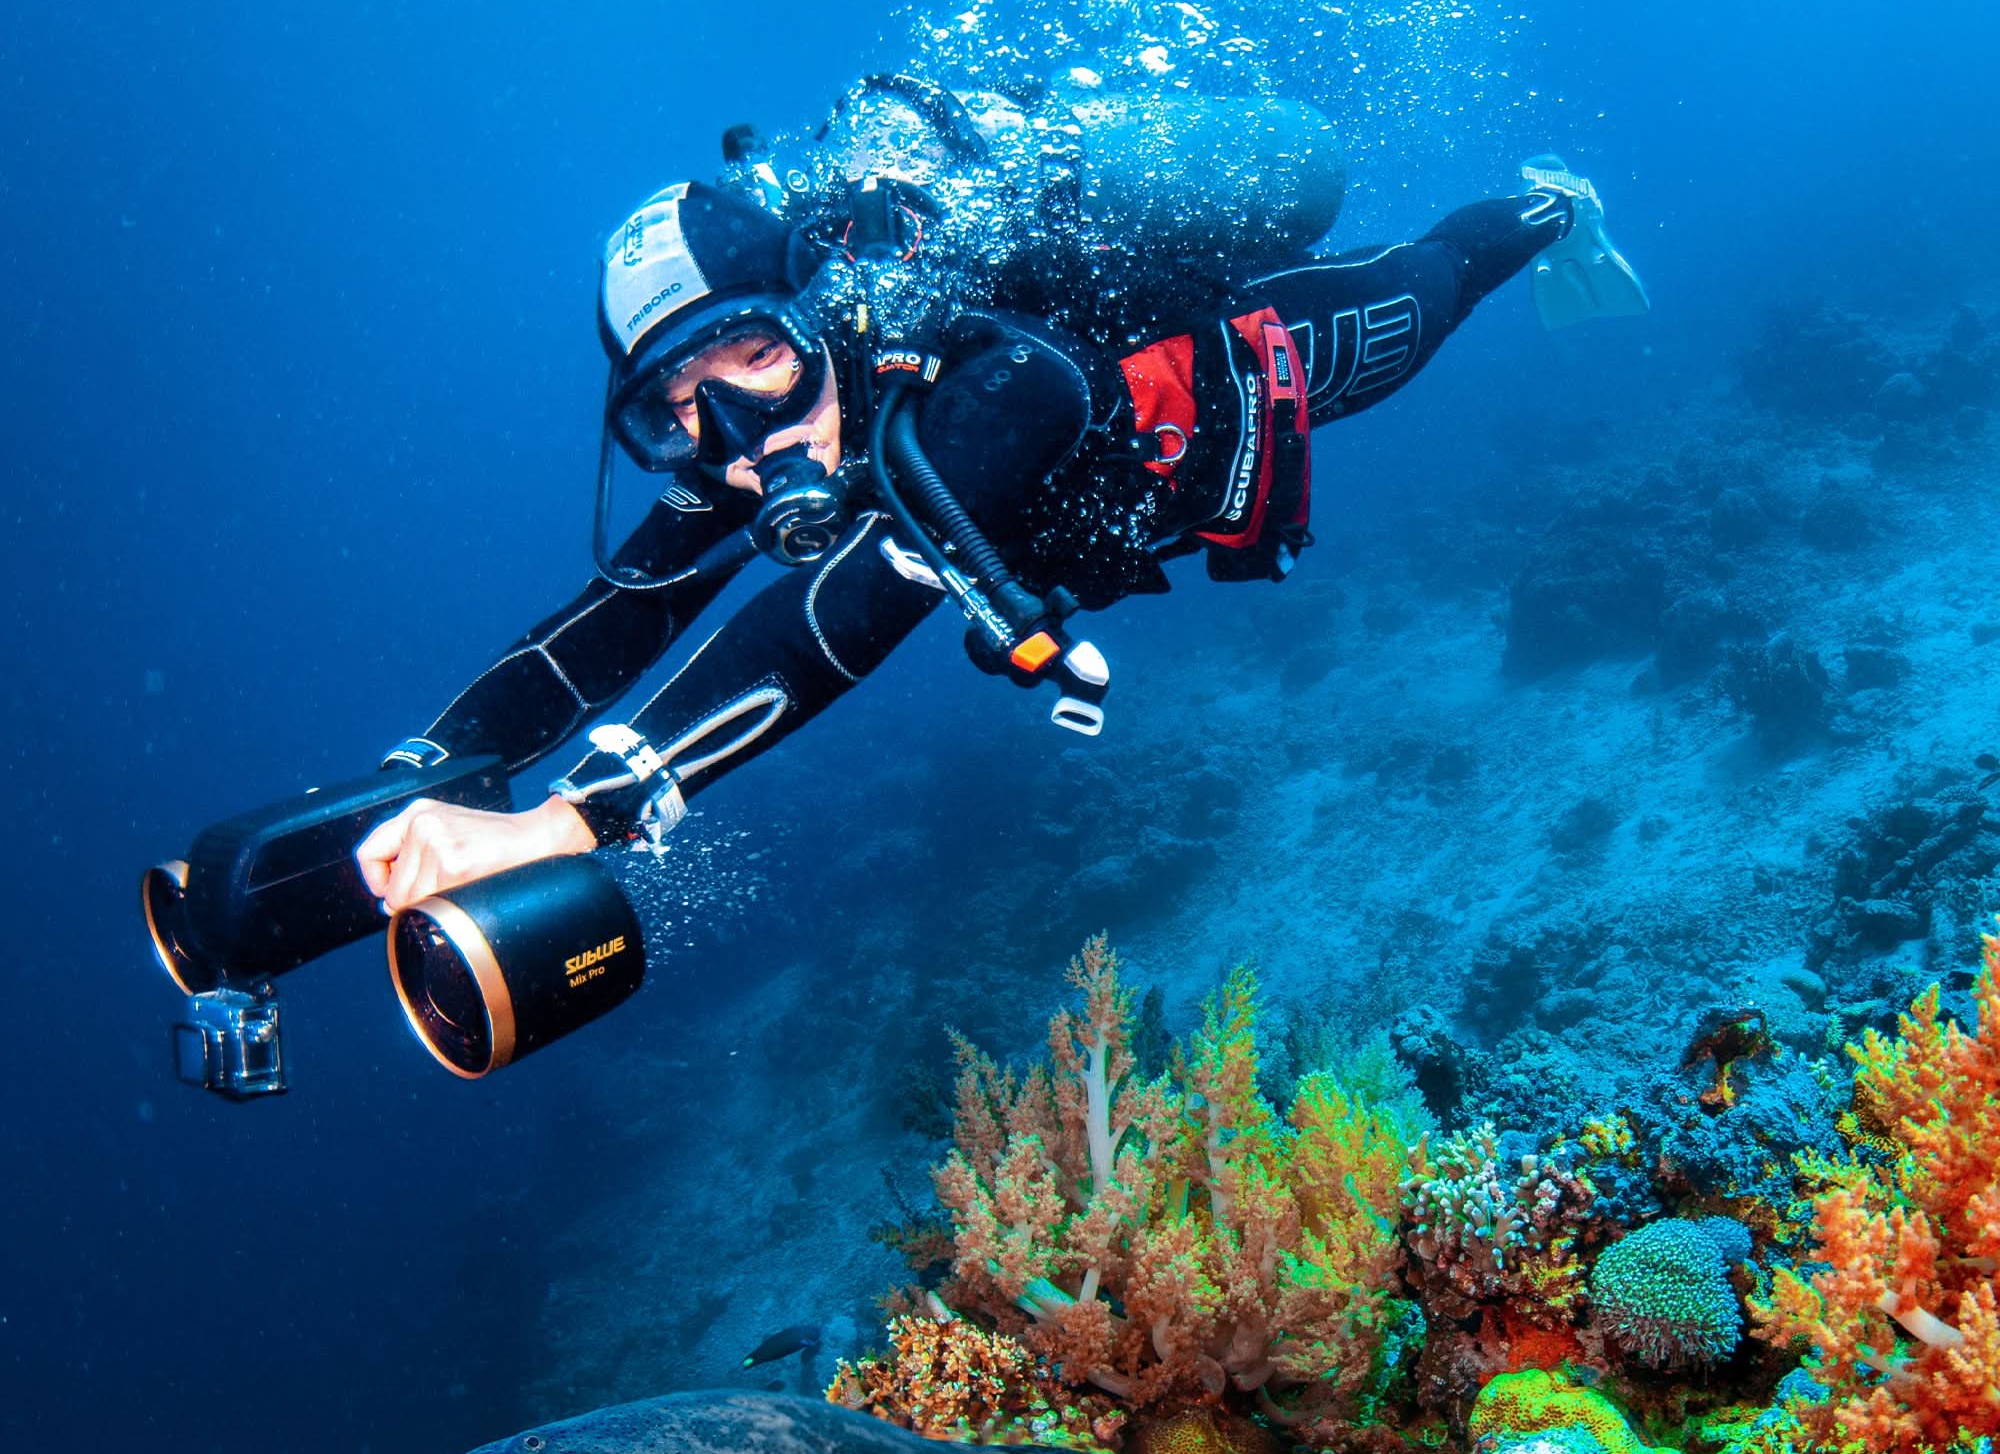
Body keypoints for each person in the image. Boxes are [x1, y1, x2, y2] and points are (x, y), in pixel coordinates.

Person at [355, 81, 1647, 914]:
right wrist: (408, 786)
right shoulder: (750, 442)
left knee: (1435, 281)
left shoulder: (989, 380)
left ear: (817, 310)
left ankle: (1556, 206)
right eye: (677, 404)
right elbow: (612, 621)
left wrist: (572, 819)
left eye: (755, 353)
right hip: (1126, 507)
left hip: (1241, 385)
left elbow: (837, 610)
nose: (739, 430)